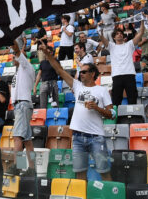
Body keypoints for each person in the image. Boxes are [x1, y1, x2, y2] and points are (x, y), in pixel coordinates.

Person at [42, 44, 114, 180]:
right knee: (80, 173)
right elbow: (59, 70)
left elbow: (111, 114)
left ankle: (109, 191)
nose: (81, 74)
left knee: (104, 171)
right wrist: (48, 55)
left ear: (93, 74)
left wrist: (97, 108)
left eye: (84, 72)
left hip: (96, 137)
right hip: (78, 137)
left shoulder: (102, 90)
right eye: (80, 72)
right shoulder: (77, 86)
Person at [99, 21, 145, 105]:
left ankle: (133, 113)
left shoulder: (129, 44)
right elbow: (102, 38)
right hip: (117, 75)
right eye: (117, 34)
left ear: (123, 36)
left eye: (121, 33)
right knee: (116, 100)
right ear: (114, 37)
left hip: (130, 74)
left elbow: (141, 33)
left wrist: (142, 21)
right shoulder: (111, 46)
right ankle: (116, 114)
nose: (119, 35)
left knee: (132, 98)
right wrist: (101, 30)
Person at [10, 37, 36, 175]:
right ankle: (32, 168)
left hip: (22, 104)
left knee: (17, 137)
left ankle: (17, 166)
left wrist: (11, 39)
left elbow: (17, 50)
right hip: (21, 105)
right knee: (27, 140)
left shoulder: (26, 66)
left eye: (15, 56)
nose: (13, 57)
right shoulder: (19, 71)